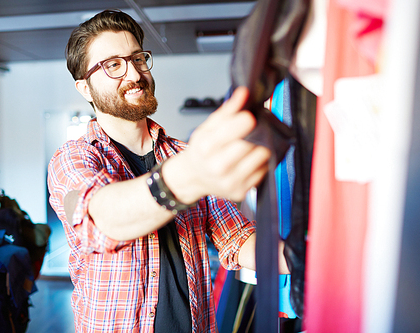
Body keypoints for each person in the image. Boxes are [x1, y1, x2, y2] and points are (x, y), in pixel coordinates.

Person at [47, 9, 288, 333]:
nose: (133, 73)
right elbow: (100, 217)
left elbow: (237, 240)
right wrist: (188, 176)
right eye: (113, 65)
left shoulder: (183, 154)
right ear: (85, 89)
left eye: (138, 58)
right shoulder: (73, 159)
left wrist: (310, 259)